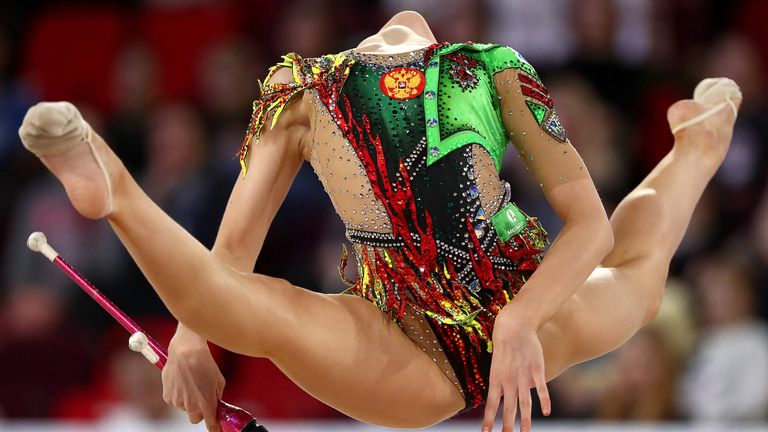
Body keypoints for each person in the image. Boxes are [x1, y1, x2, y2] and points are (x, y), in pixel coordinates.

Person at [18, 10, 741, 432]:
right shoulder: (485, 67)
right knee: (641, 283)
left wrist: (193, 337)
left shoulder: (306, 86)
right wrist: (519, 324)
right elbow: (594, 229)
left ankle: (116, 189)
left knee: (265, 314)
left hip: (445, 329)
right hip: (477, 310)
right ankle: (700, 143)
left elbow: (232, 252)